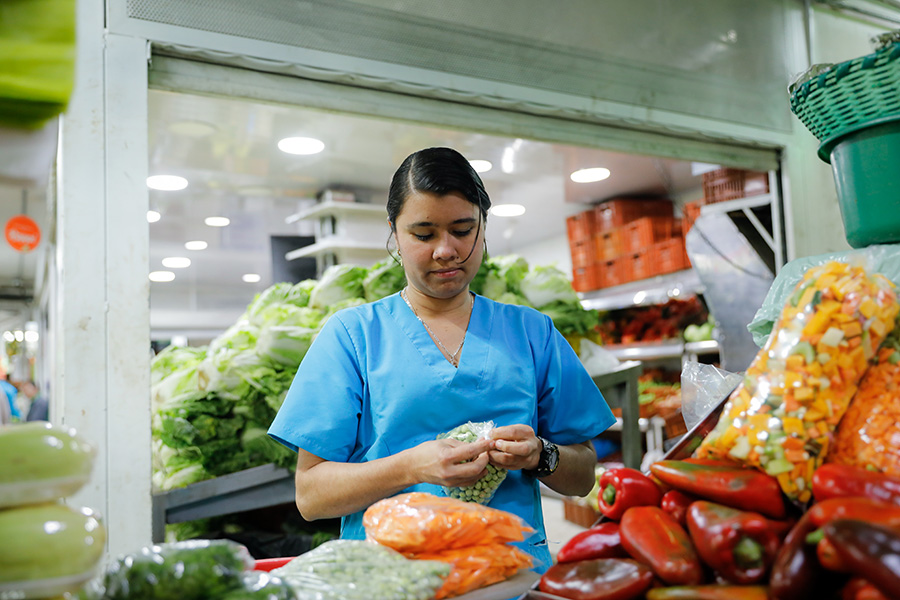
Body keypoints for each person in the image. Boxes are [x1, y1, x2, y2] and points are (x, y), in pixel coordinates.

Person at [268, 146, 615, 570]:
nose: (446, 250)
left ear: (483, 226)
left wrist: (541, 454)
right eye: (424, 234)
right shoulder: (353, 336)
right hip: (395, 581)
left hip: (510, 577)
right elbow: (311, 496)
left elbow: (582, 477)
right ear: (395, 234)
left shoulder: (532, 332)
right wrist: (411, 467)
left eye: (463, 230)